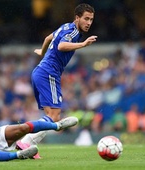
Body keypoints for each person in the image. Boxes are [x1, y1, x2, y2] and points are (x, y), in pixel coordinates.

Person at [16, 3, 97, 158]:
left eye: (91, 19)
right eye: (86, 19)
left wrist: (42, 51)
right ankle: (26, 141)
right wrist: (83, 44)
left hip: (40, 72)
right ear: (77, 18)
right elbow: (61, 46)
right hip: (48, 74)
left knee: (50, 115)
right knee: (55, 117)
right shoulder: (73, 32)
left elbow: (48, 38)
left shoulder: (65, 26)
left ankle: (28, 146)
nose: (88, 23)